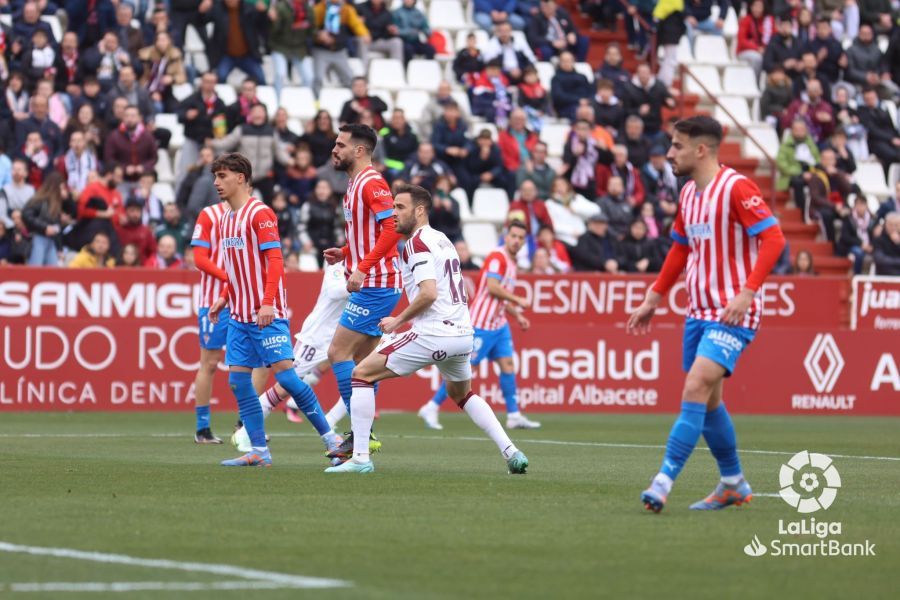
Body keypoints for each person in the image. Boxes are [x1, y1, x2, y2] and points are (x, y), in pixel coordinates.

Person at [628, 116, 786, 513]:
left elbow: (774, 238)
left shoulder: (736, 187)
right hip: (697, 313)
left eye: (677, 145)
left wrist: (747, 293)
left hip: (732, 313)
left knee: (695, 386)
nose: (669, 153)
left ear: (701, 149)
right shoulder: (688, 195)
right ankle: (733, 482)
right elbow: (681, 248)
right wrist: (655, 296)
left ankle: (662, 482)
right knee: (711, 401)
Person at [329, 185, 529, 473]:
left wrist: (397, 321)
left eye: (400, 207)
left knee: (361, 374)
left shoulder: (416, 244)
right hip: (463, 334)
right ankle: (512, 453)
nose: (393, 213)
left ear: (419, 210)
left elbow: (429, 293)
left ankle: (360, 458)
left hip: (434, 332)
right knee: (462, 393)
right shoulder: (443, 240)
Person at [206, 153, 340, 467]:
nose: (216, 183)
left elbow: (275, 261)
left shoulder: (260, 213)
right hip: (239, 316)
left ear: (241, 177)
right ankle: (259, 451)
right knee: (238, 382)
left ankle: (331, 440)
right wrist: (225, 296)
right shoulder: (227, 218)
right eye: (215, 176)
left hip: (266, 314)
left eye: (222, 176)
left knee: (290, 379)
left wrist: (267, 302)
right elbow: (238, 267)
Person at [322, 124, 404, 460]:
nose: (334, 150)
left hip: (378, 283)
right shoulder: (355, 184)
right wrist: (346, 252)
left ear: (359, 150)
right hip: (374, 280)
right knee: (364, 364)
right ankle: (361, 435)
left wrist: (362, 266)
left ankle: (360, 433)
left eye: (340, 145)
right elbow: (370, 232)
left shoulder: (372, 182)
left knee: (337, 353)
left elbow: (392, 229)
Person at [419, 220, 541, 431]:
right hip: (482, 324)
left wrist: (516, 315)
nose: (516, 241)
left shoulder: (512, 262)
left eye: (521, 238)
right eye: (513, 236)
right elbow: (492, 288)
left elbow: (498, 298)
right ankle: (431, 406)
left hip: (499, 324)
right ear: (506, 235)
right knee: (465, 370)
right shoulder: (497, 257)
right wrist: (518, 300)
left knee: (508, 366)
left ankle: (513, 415)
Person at [232, 261, 356, 451]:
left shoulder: (368, 265)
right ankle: (245, 432)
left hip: (345, 334)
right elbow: (334, 291)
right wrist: (365, 285)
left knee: (360, 378)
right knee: (286, 385)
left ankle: (337, 425)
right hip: (317, 337)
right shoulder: (338, 263)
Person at [208, 0, 268, 84]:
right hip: (227, 55)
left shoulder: (249, 9)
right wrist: (202, 12)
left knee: (261, 79)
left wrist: (263, 13)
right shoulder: (217, 9)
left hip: (247, 55)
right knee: (220, 78)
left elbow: (263, 26)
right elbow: (200, 21)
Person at [21, 171, 70, 266]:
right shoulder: (40, 199)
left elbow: (57, 227)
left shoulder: (57, 204)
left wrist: (59, 248)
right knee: (35, 270)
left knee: (52, 273)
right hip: (38, 238)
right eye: (61, 187)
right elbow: (26, 214)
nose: (63, 190)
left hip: (52, 241)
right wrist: (44, 227)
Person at [836, 194, 875, 274]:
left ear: (866, 205)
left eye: (862, 204)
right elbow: (845, 237)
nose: (860, 207)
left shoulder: (872, 220)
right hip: (852, 247)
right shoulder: (848, 218)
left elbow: (875, 237)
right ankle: (857, 276)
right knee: (858, 253)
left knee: (880, 253)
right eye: (857, 204)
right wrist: (861, 244)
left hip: (869, 246)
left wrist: (871, 246)